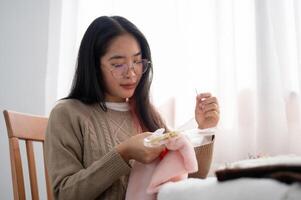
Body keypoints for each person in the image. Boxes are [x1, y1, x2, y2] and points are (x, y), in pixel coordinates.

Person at [45, 16, 220, 200]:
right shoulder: (67, 113)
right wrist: (123, 154)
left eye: (137, 61)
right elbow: (65, 195)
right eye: (118, 64)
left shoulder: (148, 114)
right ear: (94, 66)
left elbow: (189, 180)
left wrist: (206, 129)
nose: (131, 73)